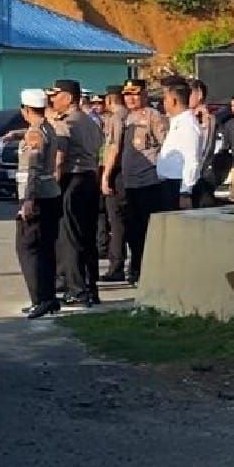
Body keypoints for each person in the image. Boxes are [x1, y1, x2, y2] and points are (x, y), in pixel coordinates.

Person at [101, 78, 168, 286]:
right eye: (127, 95)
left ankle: (142, 270)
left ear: (145, 95)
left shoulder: (153, 116)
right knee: (131, 230)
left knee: (145, 230)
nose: (131, 98)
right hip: (128, 182)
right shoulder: (124, 118)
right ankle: (136, 268)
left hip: (148, 182)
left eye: (135, 94)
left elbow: (165, 146)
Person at [48, 79, 103, 307]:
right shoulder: (91, 122)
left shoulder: (67, 123)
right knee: (88, 236)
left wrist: (53, 185)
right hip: (90, 177)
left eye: (56, 95)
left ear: (69, 98)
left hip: (73, 179)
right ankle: (91, 288)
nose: (52, 100)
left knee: (69, 237)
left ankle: (76, 290)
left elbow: (60, 160)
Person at [14, 89, 63, 319]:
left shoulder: (34, 133)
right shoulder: (48, 127)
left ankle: (39, 299)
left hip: (37, 197)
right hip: (50, 194)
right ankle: (49, 297)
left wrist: (28, 201)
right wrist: (14, 136)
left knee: (28, 248)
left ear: (25, 110)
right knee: (46, 248)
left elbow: (32, 167)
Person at [156, 76, 202, 211]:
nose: (163, 103)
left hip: (179, 185)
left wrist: (185, 192)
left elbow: (192, 160)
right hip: (169, 184)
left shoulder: (188, 124)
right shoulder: (176, 121)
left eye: (165, 99)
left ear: (174, 100)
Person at [98, 86, 128, 281]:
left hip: (116, 172)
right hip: (127, 172)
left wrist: (105, 176)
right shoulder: (129, 115)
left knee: (115, 221)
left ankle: (116, 266)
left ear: (109, 100)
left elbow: (113, 148)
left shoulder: (116, 118)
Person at [187, 78, 218, 208]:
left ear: (199, 94)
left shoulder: (207, 118)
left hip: (200, 175)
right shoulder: (183, 117)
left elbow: (204, 147)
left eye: (189, 93)